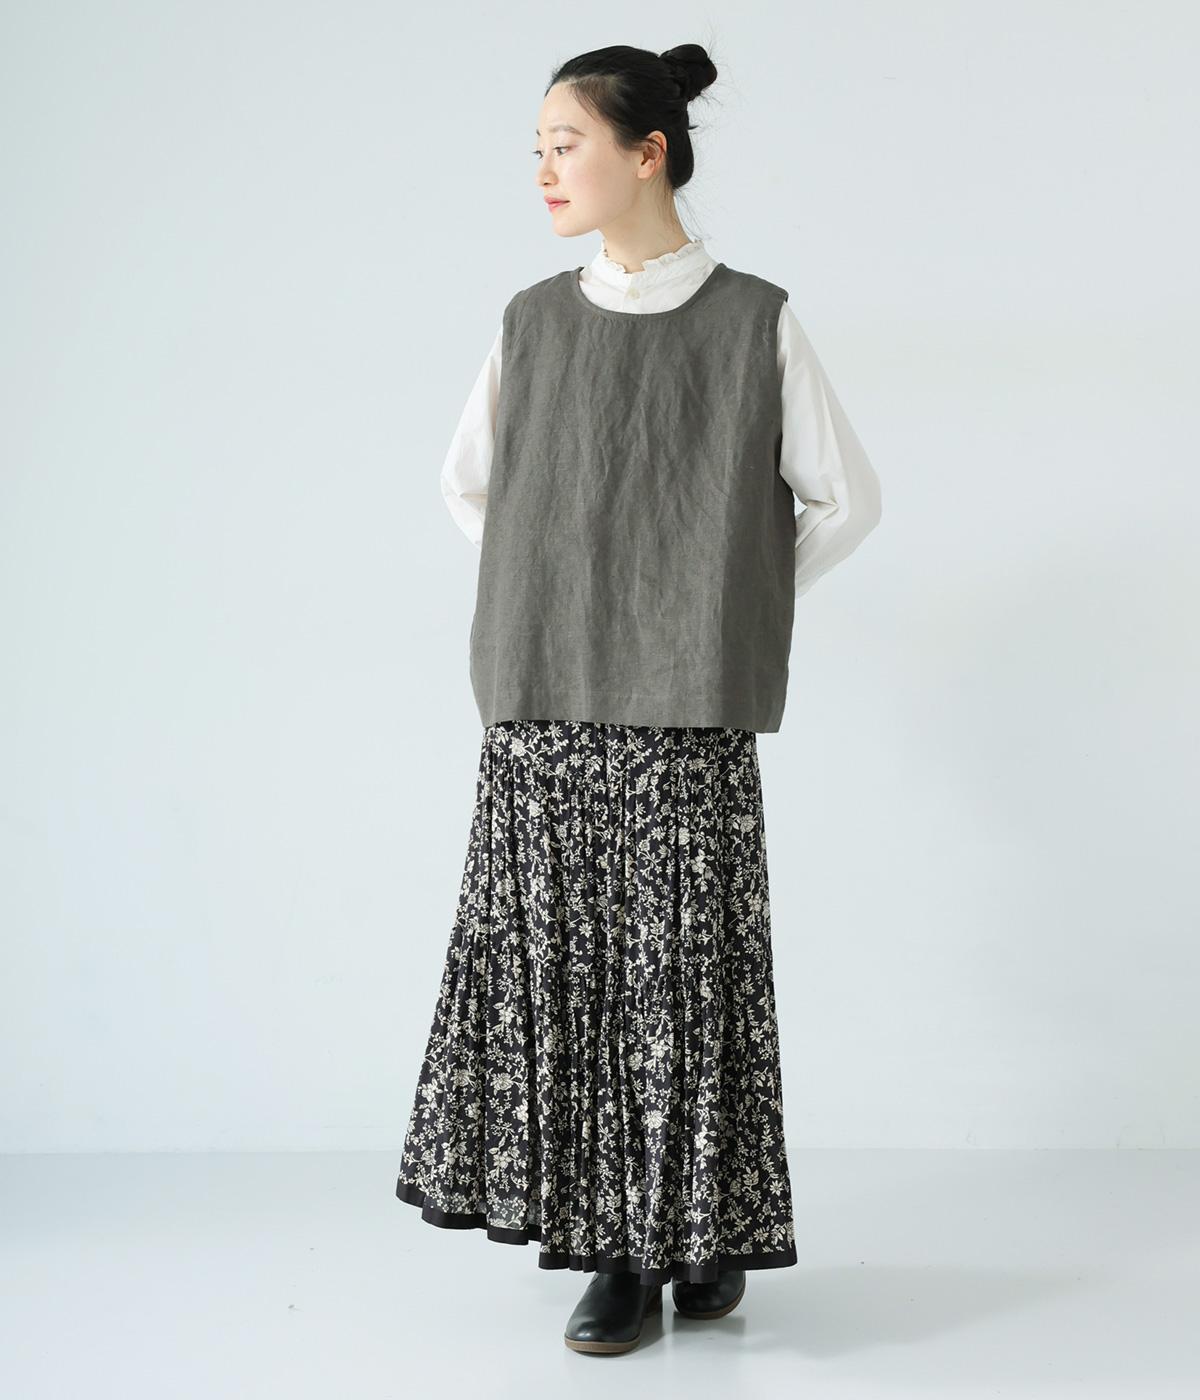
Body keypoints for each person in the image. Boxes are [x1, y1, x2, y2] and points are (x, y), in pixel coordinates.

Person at [394, 41, 882, 1356]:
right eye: (538, 150)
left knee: (688, 978)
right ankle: (618, 1250)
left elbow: (846, 501)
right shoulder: (532, 322)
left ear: (647, 152)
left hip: (685, 716)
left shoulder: (754, 320)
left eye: (566, 144)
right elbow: (470, 486)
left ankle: (694, 1230)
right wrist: (569, 584)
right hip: (547, 705)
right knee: (578, 976)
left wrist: (716, 602)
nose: (545, 171)